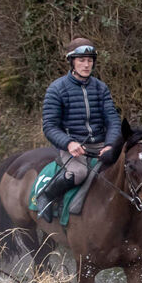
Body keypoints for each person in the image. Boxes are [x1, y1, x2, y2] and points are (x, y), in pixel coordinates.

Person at [34, 37, 121, 222]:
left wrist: (111, 144)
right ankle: (46, 195)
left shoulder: (101, 88)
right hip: (74, 148)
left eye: (90, 60)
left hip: (101, 144)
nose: (86, 65)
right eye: (82, 60)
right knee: (79, 173)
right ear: (72, 61)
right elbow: (49, 126)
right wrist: (69, 143)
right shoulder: (56, 89)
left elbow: (113, 120)